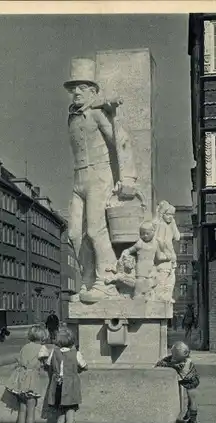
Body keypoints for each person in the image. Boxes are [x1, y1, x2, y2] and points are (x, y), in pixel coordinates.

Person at [64, 57, 137, 303]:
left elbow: (120, 141)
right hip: (78, 179)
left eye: (81, 88)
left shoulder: (96, 115)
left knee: (95, 230)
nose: (75, 92)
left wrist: (126, 176)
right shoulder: (72, 116)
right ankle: (86, 280)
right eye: (73, 88)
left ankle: (105, 281)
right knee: (74, 233)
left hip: (99, 175)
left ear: (93, 91)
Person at [6, 324, 50, 423]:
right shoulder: (42, 348)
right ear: (43, 337)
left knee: (22, 410)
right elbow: (46, 363)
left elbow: (20, 360)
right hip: (32, 380)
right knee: (31, 411)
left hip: (20, 380)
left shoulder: (25, 347)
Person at [45, 327, 88, 423]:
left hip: (57, 386)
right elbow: (84, 366)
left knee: (60, 416)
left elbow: (48, 364)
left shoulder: (54, 352)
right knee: (70, 415)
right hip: (70, 387)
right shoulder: (76, 353)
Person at [154, 341, 200, 423]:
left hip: (191, 381)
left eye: (175, 356)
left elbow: (174, 365)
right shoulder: (182, 359)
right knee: (191, 401)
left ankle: (193, 420)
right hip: (191, 380)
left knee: (192, 400)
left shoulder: (184, 363)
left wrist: (164, 363)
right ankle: (189, 413)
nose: (173, 358)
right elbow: (169, 361)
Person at [121, 221, 158, 299]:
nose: (145, 236)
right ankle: (137, 295)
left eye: (147, 233)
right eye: (142, 234)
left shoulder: (156, 244)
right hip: (141, 266)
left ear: (153, 232)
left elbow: (159, 256)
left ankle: (147, 295)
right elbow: (130, 250)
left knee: (150, 282)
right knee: (140, 282)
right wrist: (125, 252)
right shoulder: (140, 243)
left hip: (151, 267)